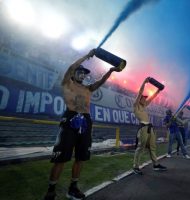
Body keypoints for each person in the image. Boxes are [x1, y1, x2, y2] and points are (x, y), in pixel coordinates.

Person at [44, 49, 121, 200]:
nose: (82, 74)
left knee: (81, 157)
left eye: (84, 72)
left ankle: (73, 188)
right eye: (80, 71)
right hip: (70, 119)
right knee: (60, 158)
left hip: (85, 121)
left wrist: (111, 71)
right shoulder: (67, 82)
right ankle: (51, 190)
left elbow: (100, 82)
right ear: (74, 73)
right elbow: (71, 67)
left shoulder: (87, 88)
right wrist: (87, 56)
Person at [132, 77, 167, 175]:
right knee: (141, 148)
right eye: (144, 98)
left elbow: (152, 98)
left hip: (149, 128)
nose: (145, 99)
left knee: (152, 147)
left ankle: (155, 165)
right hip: (143, 128)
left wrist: (158, 91)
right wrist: (144, 82)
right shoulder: (136, 106)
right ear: (140, 99)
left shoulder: (144, 106)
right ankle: (135, 166)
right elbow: (139, 93)